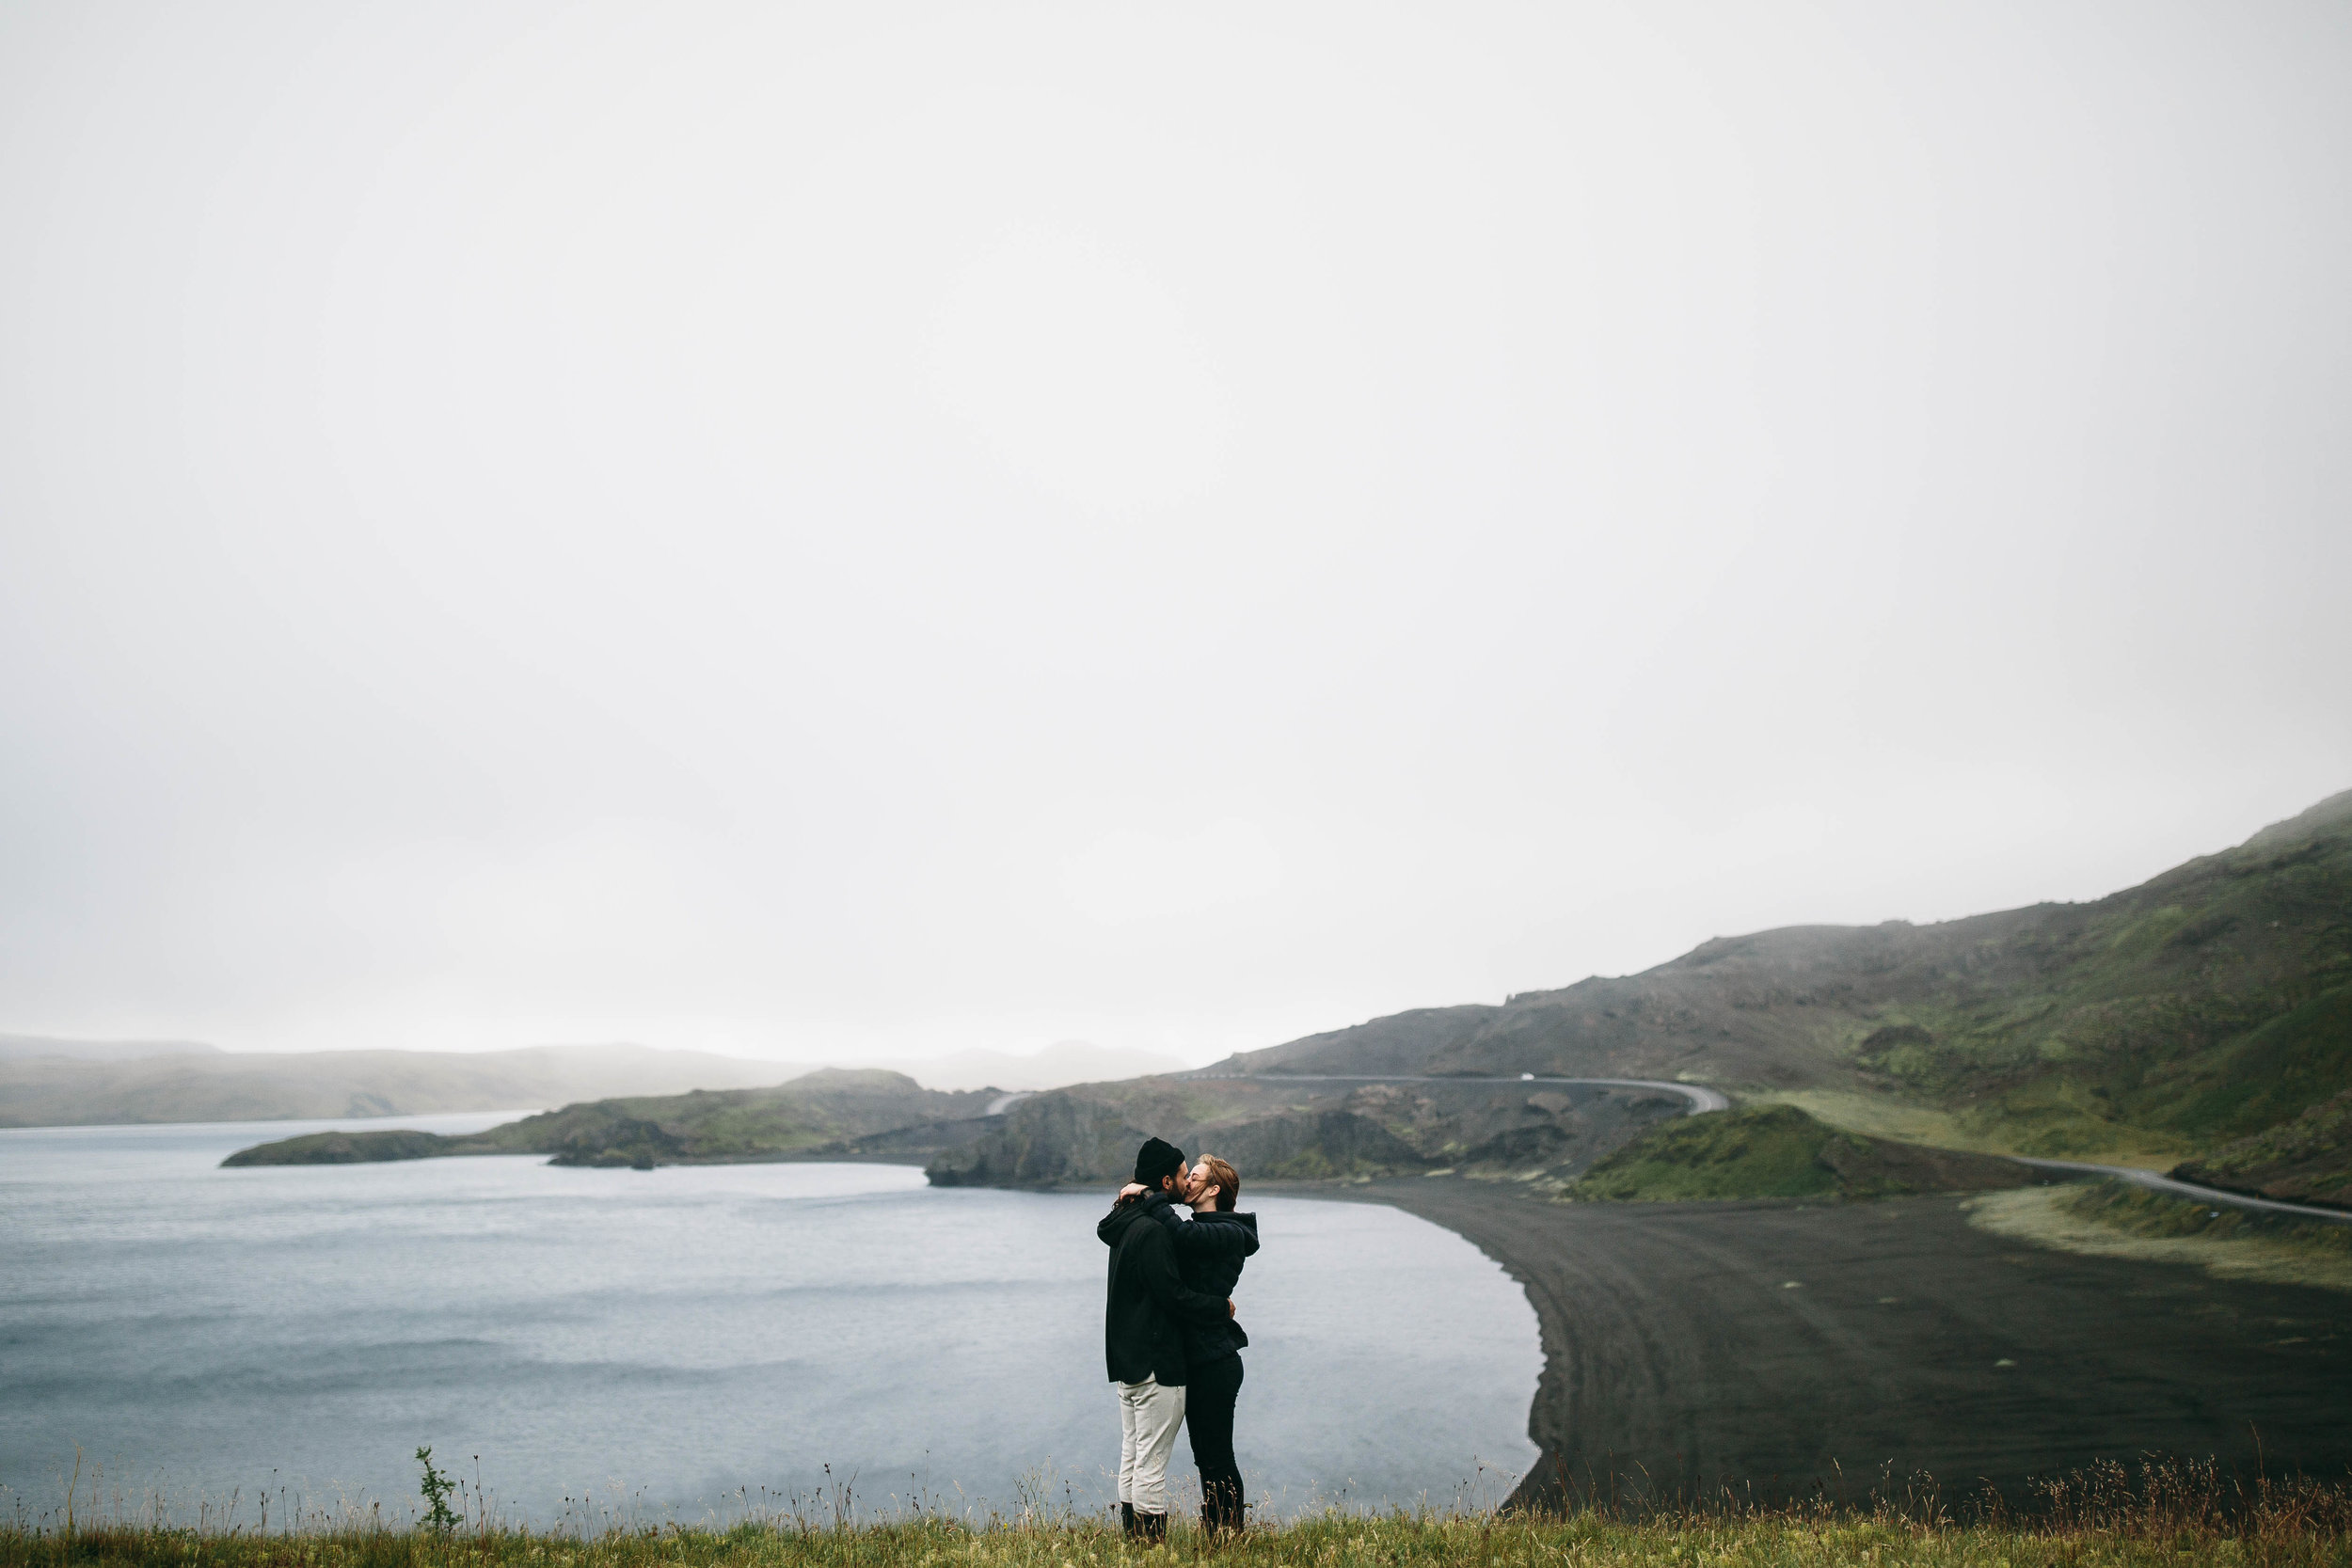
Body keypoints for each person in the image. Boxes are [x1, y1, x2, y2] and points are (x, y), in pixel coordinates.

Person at [1097, 1137, 1234, 1543]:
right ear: (1165, 1180)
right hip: (1157, 1363)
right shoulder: (1154, 1231)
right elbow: (1173, 1296)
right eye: (1181, 1173)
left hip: (1126, 1360)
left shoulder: (1122, 1223)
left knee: (1132, 1454)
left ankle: (1132, 1540)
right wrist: (1220, 1307)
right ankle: (1151, 1546)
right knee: (1151, 1464)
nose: (1185, 1180)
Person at [1121, 1152, 1257, 1535]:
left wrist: (1150, 1196)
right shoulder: (1201, 1226)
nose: (1187, 1183)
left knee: (1216, 1459)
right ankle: (1218, 1532)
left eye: (1194, 1177)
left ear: (1213, 1189)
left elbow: (1182, 1235)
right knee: (1206, 1459)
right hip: (1198, 1358)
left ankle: (1227, 1536)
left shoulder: (1229, 1231)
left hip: (1216, 1362)